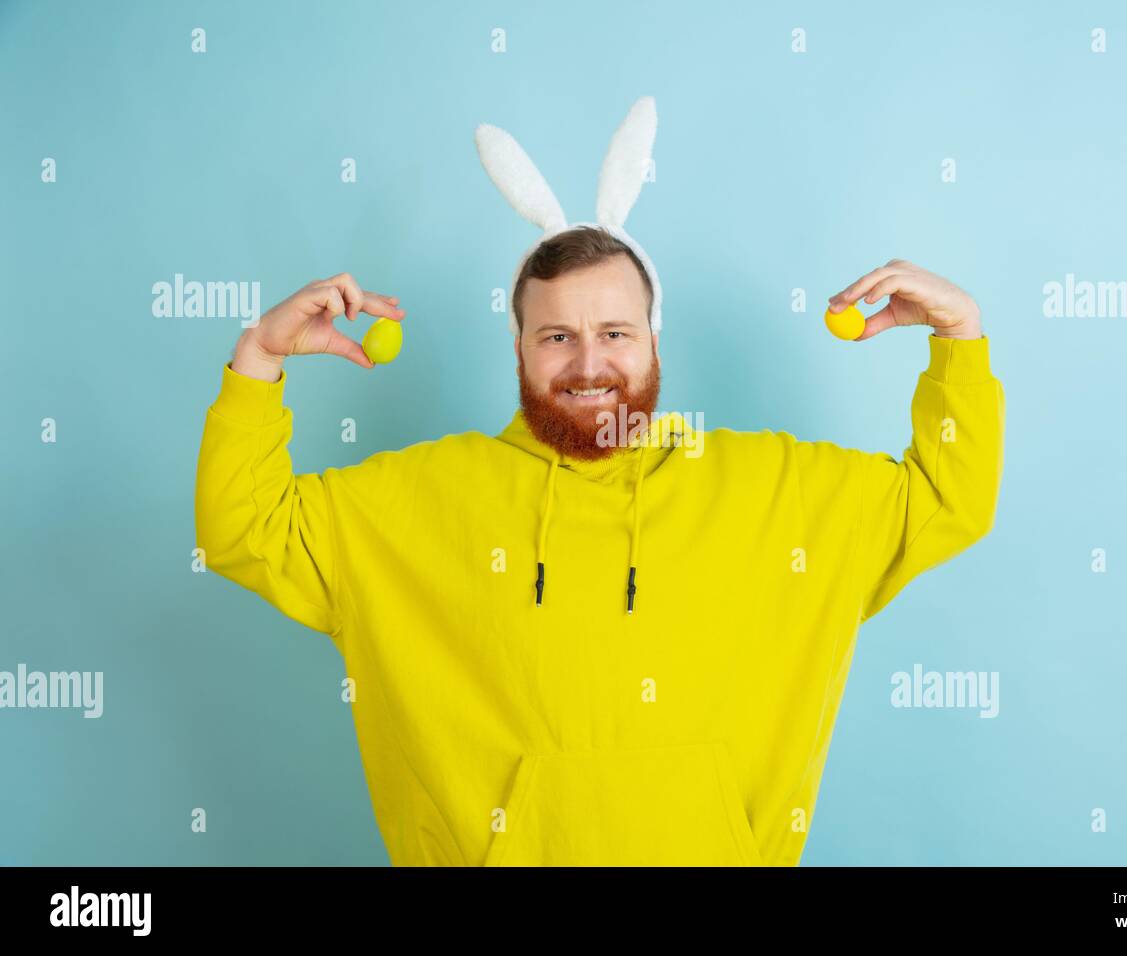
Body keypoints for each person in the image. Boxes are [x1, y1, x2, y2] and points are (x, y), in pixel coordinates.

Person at [194, 100, 1005, 867]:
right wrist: (258, 362)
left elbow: (946, 499)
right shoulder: (412, 501)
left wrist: (959, 338)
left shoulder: (779, 489)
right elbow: (243, 527)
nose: (589, 365)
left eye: (615, 332)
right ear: (518, 348)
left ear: (654, 340)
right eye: (556, 336)